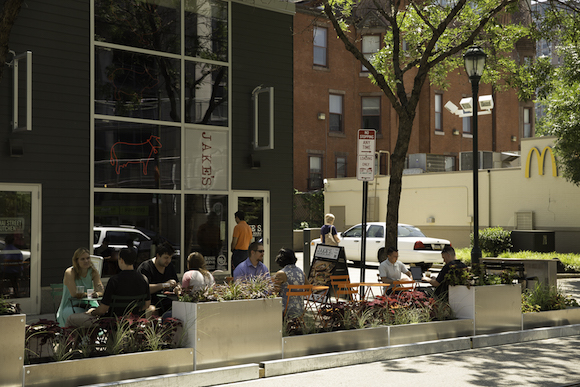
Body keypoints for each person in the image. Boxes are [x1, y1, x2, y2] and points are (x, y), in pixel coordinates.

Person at [67, 248, 152, 327]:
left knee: (71, 319)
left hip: (112, 322)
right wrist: (132, 313)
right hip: (133, 321)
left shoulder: (114, 281)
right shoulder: (144, 279)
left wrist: (92, 312)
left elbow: (102, 310)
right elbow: (147, 304)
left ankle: (70, 342)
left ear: (121, 260)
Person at [56, 248, 105, 327]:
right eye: (82, 259)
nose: (86, 261)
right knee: (85, 318)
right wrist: (90, 294)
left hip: (90, 304)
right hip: (71, 305)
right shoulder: (70, 272)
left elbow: (101, 291)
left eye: (88, 258)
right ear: (77, 261)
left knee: (100, 314)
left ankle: (91, 337)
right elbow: (74, 294)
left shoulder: (93, 271)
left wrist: (97, 294)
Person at [137, 242, 180, 316]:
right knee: (153, 311)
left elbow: (177, 282)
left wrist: (178, 288)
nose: (168, 261)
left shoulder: (170, 267)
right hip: (148, 301)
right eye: (166, 258)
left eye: (170, 258)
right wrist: (164, 285)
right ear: (158, 256)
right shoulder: (145, 267)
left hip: (166, 301)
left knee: (179, 309)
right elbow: (144, 289)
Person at [273, 248, 305, 318]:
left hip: (284, 309)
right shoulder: (301, 273)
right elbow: (308, 288)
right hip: (300, 309)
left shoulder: (281, 274)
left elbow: (274, 292)